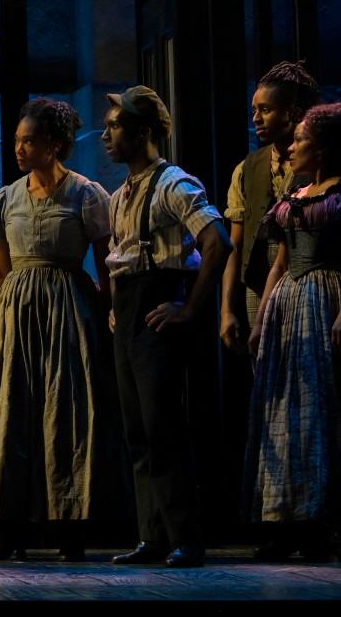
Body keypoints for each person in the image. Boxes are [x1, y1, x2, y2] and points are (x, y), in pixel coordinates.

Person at [0, 98, 116, 561]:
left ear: (53, 144)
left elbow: (107, 265)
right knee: (12, 416)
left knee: (64, 414)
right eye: (16, 141)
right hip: (16, 312)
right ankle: (10, 528)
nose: (20, 149)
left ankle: (69, 527)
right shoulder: (7, 198)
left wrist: (108, 315)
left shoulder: (87, 195)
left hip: (68, 309)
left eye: (29, 141)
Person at [100, 85, 228, 570]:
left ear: (144, 131)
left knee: (163, 428)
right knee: (137, 431)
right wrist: (116, 309)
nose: (108, 135)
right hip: (130, 311)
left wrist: (189, 308)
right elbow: (119, 261)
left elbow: (217, 243)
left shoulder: (174, 184)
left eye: (116, 126)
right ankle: (151, 535)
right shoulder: (118, 196)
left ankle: (186, 539)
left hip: (159, 304)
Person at [244, 104, 341, 561]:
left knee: (319, 411)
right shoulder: (295, 194)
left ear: (322, 147)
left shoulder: (339, 195)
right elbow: (279, 261)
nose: (294, 146)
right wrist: (262, 317)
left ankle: (319, 522)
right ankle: (283, 518)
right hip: (289, 301)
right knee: (283, 411)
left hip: (325, 297)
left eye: (302, 139)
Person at [221, 62, 320, 353]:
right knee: (265, 373)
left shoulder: (320, 165)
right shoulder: (247, 169)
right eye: (254, 110)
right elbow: (235, 246)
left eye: (265, 110)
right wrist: (226, 309)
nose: (256, 119)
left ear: (292, 112)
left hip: (308, 282)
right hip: (258, 281)